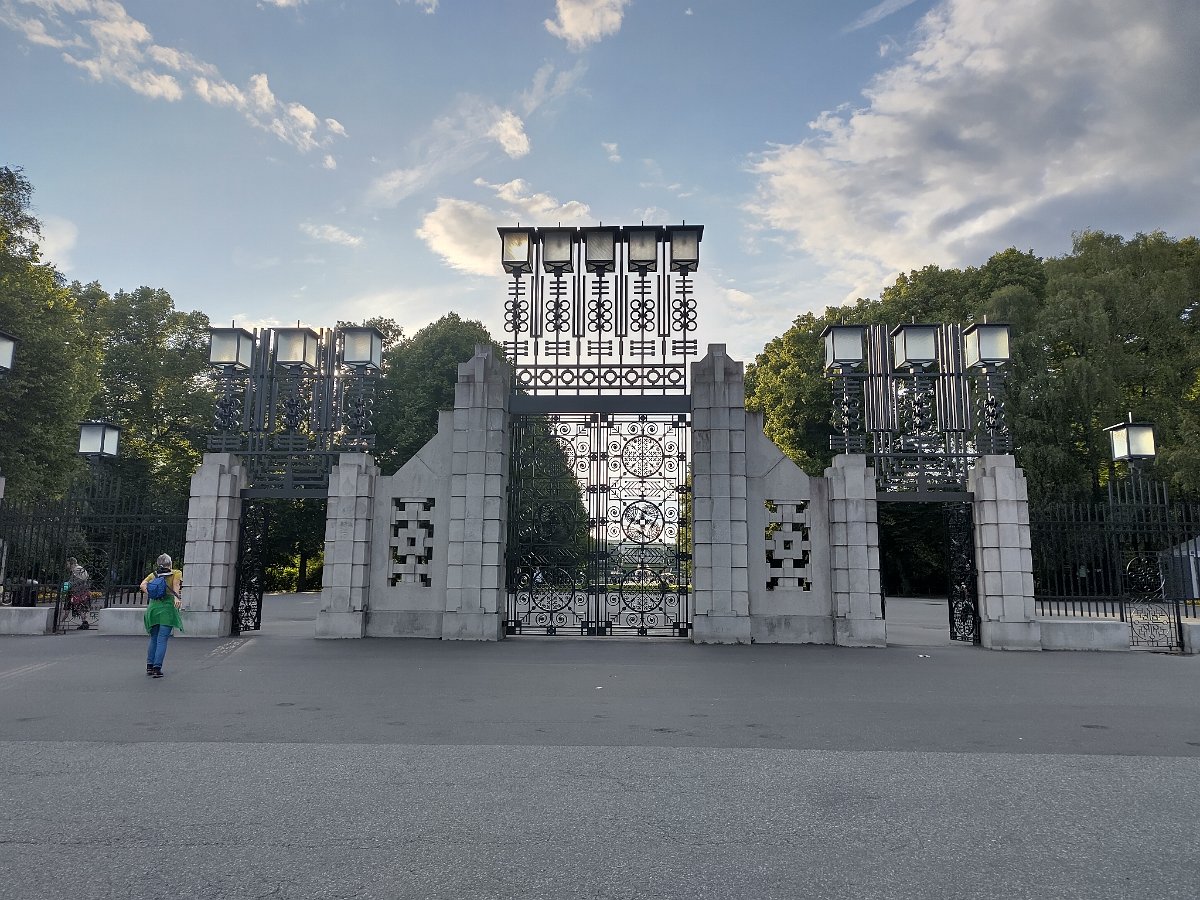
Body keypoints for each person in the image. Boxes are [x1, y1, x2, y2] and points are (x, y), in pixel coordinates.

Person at [140, 553, 183, 678]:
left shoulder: (153, 574)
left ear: (158, 564)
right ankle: (157, 668)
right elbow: (176, 585)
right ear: (170, 563)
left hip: (153, 608)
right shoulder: (176, 573)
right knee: (162, 639)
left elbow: (142, 585)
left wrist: (152, 593)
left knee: (153, 638)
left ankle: (149, 666)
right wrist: (176, 597)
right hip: (167, 608)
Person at [64, 557, 92, 630]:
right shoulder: (81, 568)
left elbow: (73, 581)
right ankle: (84, 623)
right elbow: (86, 578)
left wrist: (66, 586)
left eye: (67, 564)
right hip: (84, 589)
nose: (67, 566)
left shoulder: (76, 570)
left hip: (79, 590)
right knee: (83, 607)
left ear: (72, 563)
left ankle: (84, 623)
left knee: (80, 606)